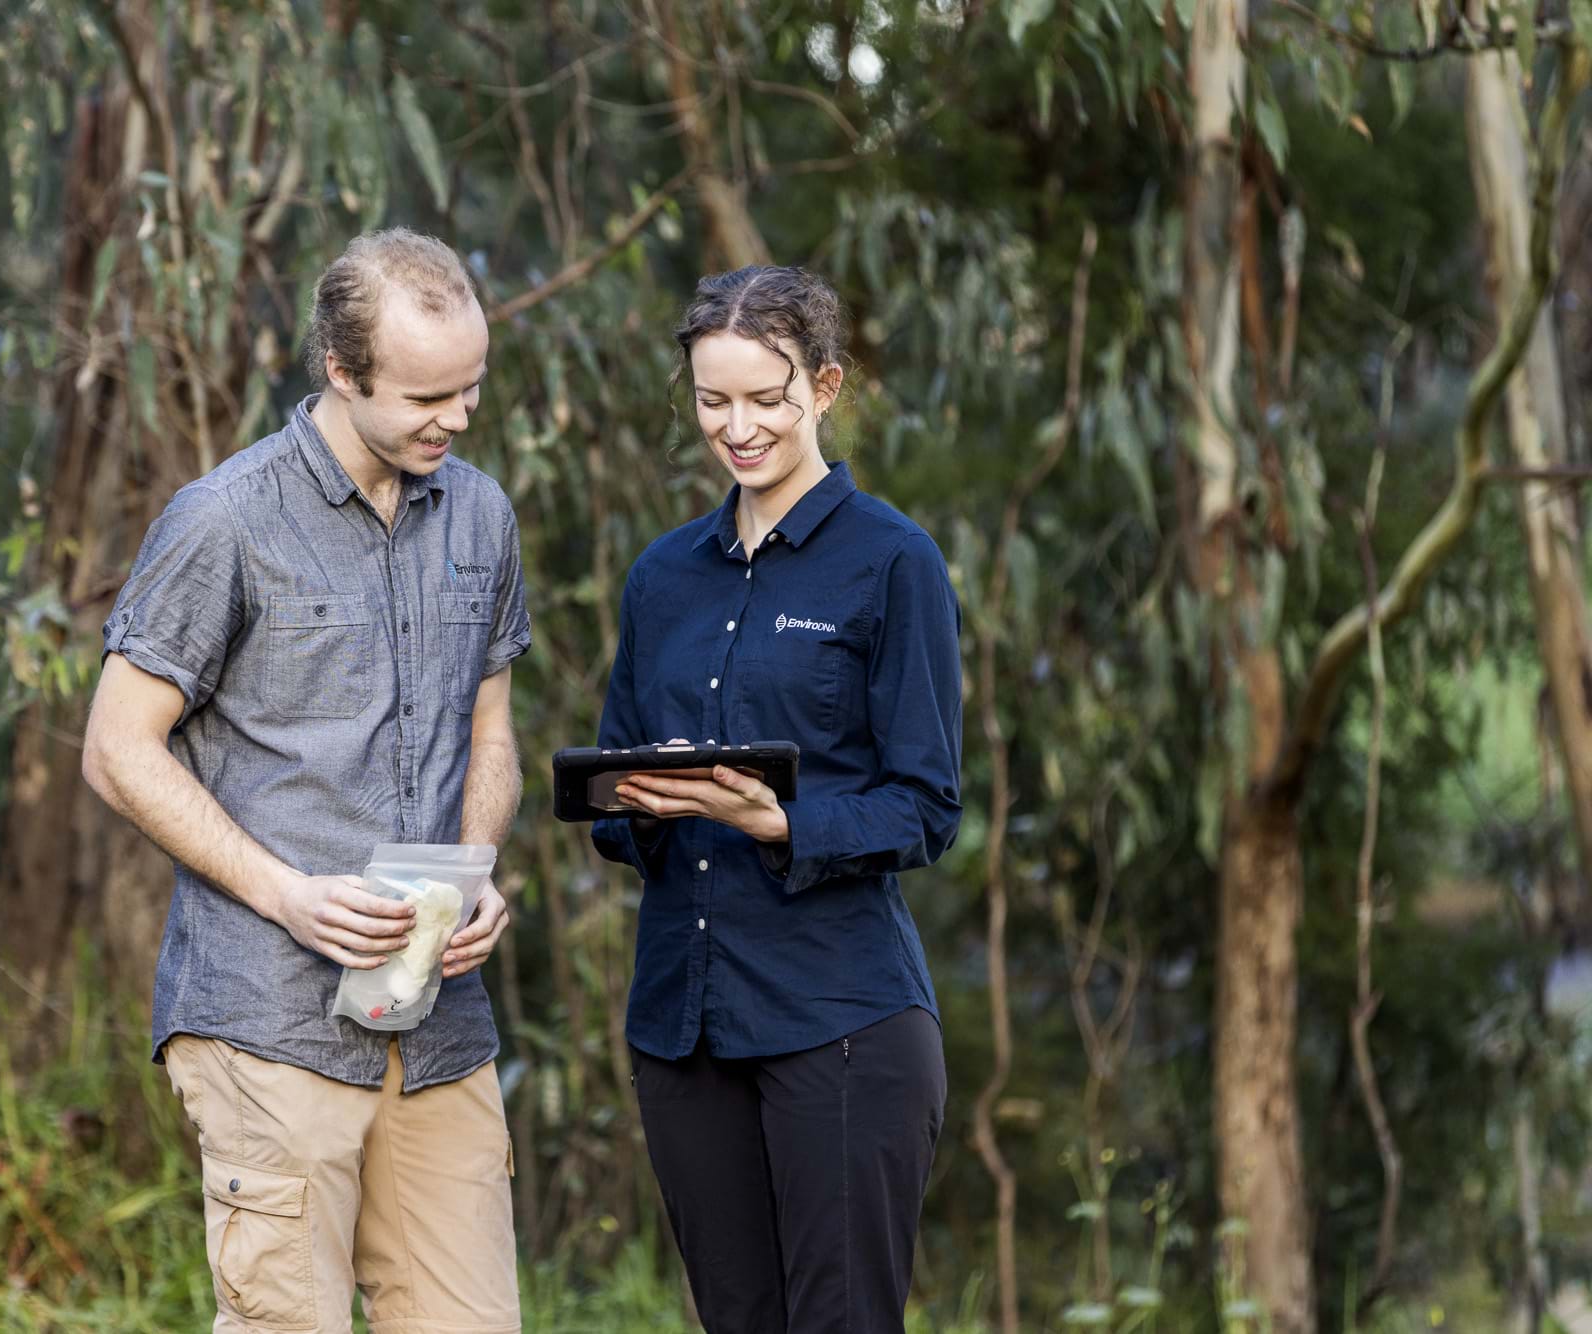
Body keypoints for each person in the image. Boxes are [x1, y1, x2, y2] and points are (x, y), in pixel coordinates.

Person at [81, 228, 528, 1334]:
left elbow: (493, 735)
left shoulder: (478, 515)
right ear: (340, 369)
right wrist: (288, 892)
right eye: (426, 395)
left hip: (438, 1028)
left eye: (469, 388)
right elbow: (116, 748)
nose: (456, 418)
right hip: (266, 1020)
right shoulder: (223, 520)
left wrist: (474, 875)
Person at [591, 265, 960, 1333]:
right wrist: (640, 800)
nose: (737, 427)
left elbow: (925, 807)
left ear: (825, 384)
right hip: (682, 1026)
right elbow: (614, 790)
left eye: (766, 398)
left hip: (838, 1021)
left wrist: (781, 822)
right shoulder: (661, 576)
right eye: (713, 401)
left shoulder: (893, 561)